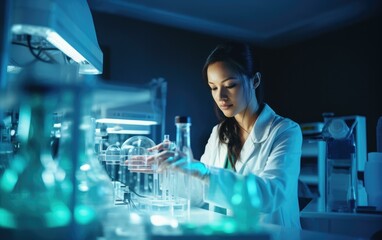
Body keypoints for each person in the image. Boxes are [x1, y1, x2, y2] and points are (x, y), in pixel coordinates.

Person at [147, 42, 303, 228]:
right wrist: (171, 169)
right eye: (213, 87)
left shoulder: (285, 131)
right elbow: (200, 195)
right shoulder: (218, 133)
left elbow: (270, 196)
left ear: (255, 81)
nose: (220, 96)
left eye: (230, 85)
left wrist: (202, 170)